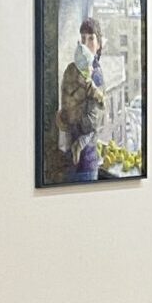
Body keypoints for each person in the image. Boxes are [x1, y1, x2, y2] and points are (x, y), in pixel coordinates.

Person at [57, 17, 108, 181]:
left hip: (86, 159)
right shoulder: (73, 70)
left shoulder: (96, 74)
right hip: (73, 156)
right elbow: (65, 105)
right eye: (83, 38)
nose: (86, 43)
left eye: (91, 38)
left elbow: (94, 121)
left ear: (99, 44)